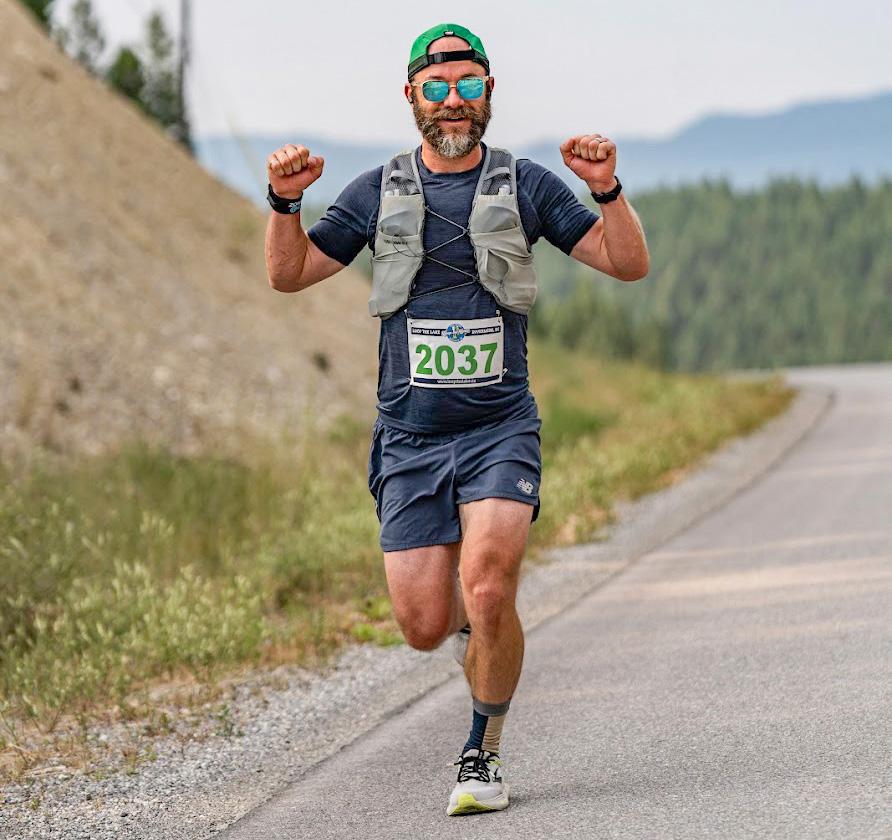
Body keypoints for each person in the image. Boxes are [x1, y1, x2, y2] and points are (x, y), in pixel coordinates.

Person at [264, 22, 649, 817]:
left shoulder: (527, 184)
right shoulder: (376, 190)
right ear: (412, 96)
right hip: (409, 435)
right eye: (437, 88)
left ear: (489, 93)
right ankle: (480, 637)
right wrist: (285, 202)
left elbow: (627, 263)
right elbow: (290, 273)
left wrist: (607, 190)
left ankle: (483, 752)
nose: (453, 101)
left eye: (468, 85)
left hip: (499, 427)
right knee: (422, 623)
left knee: (490, 582)